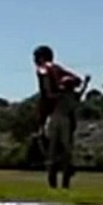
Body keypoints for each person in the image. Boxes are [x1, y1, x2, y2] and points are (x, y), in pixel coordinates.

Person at [33, 45, 85, 188]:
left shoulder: (45, 68)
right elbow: (77, 80)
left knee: (50, 147)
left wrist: (51, 92)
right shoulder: (59, 70)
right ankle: (65, 175)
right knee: (66, 148)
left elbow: (45, 80)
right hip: (66, 116)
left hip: (52, 114)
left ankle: (53, 175)